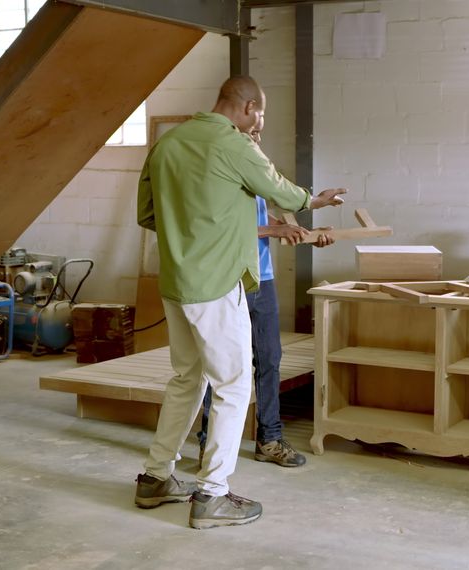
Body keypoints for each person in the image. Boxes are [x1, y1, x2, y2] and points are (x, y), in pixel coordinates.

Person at [133, 75, 346, 530]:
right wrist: (316, 200)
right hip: (216, 283)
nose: (260, 122)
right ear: (249, 107)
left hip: (176, 283)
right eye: (261, 114)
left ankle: (155, 478)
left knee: (187, 378)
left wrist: (192, 231)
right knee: (232, 385)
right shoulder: (233, 144)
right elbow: (285, 195)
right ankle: (212, 495)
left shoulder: (168, 144)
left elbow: (147, 214)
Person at [195, 117, 335, 470]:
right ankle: (208, 444)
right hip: (230, 278)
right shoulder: (222, 173)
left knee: (269, 359)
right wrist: (275, 231)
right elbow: (226, 228)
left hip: (263, 278)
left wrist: (304, 233)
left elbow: (266, 220)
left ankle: (269, 439)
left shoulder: (257, 175)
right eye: (250, 132)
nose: (256, 137)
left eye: (259, 133)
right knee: (222, 365)